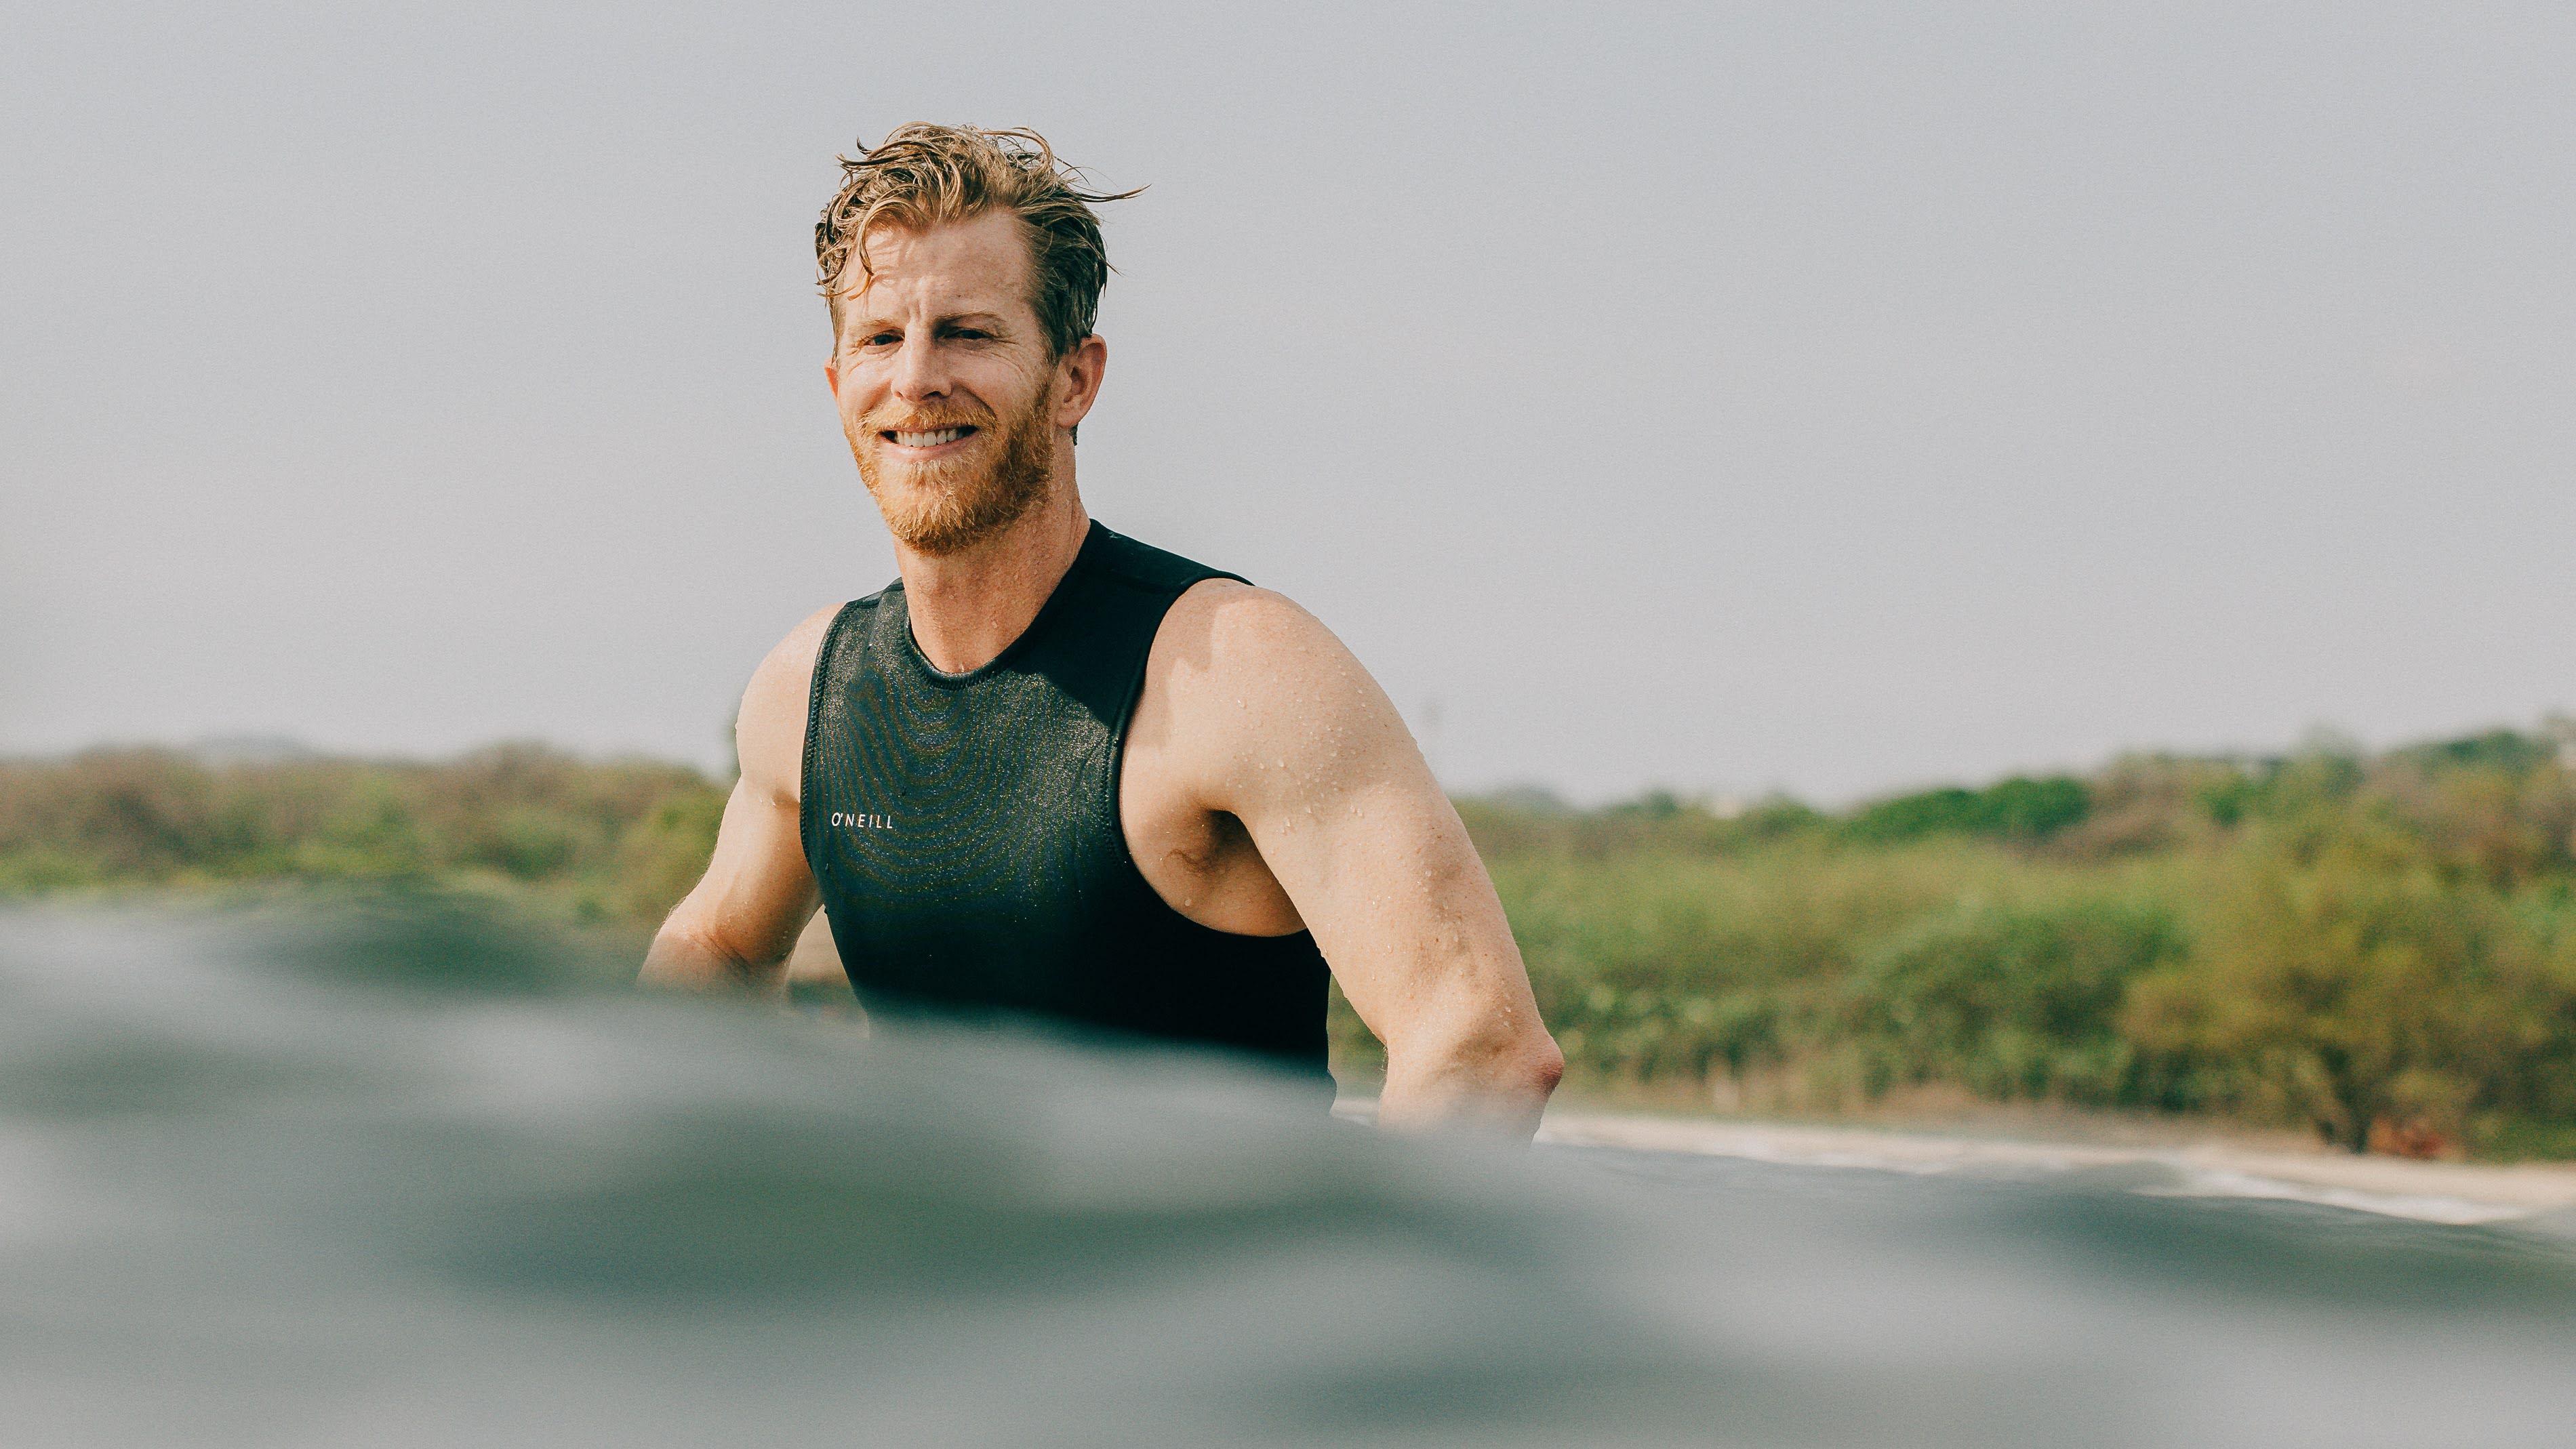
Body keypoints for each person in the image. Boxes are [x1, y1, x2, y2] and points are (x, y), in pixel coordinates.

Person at [641, 124, 1562, 1136]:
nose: (915, 380)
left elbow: (1478, 1043)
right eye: (879, 340)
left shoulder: (1238, 669)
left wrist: (1326, 1295)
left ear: (1076, 378)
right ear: (838, 388)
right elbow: (717, 952)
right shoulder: (813, 689)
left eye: (968, 333)